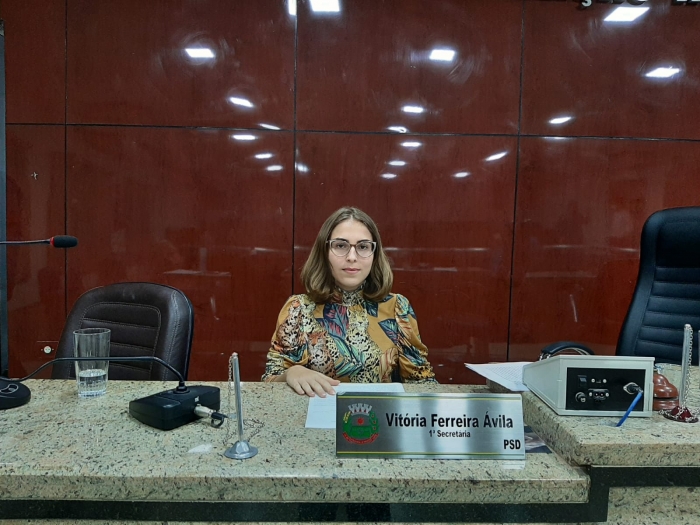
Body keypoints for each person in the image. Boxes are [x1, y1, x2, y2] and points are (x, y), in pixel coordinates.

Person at [262, 206, 437, 397]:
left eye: (363, 247)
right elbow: (270, 382)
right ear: (324, 251)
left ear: (374, 254)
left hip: (379, 415)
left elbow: (421, 382)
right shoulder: (298, 308)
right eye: (340, 246)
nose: (352, 257)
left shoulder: (397, 307)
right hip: (312, 414)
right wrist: (291, 373)